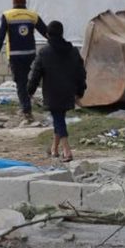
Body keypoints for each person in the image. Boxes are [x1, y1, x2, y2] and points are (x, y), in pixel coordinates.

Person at [27, 21, 86, 162]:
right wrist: (80, 90)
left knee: (58, 119)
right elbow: (81, 72)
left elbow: (35, 74)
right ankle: (54, 148)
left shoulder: (44, 52)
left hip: (52, 92)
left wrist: (30, 90)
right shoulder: (73, 51)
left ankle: (67, 151)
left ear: (47, 35)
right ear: (62, 33)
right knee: (59, 118)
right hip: (68, 91)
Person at [0, 0, 48, 124]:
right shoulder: (32, 15)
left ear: (13, 2)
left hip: (15, 56)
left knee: (21, 83)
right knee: (30, 80)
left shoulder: (7, 16)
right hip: (30, 54)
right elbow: (46, 31)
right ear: (25, 2)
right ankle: (27, 105)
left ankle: (26, 110)